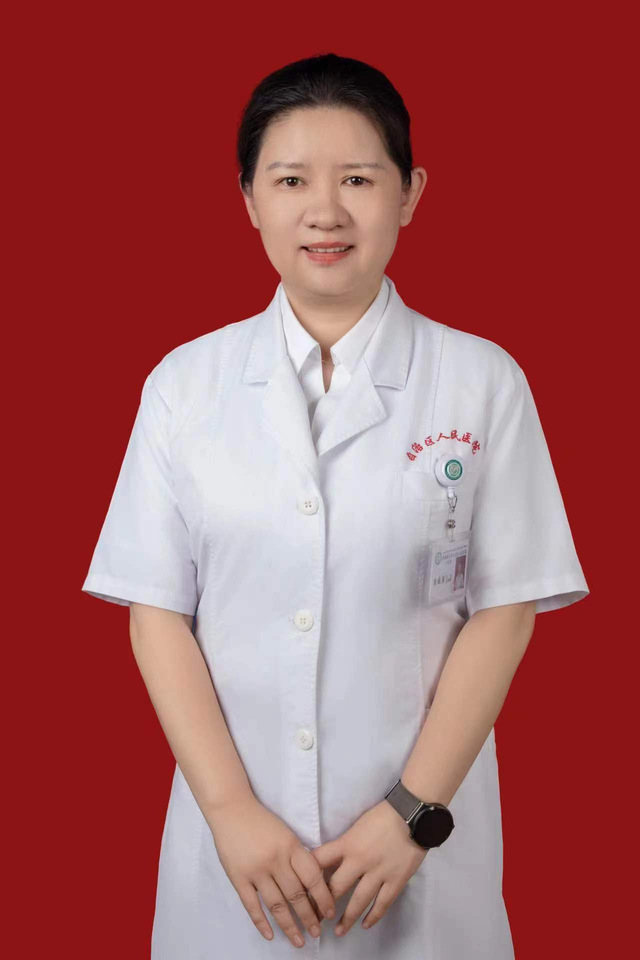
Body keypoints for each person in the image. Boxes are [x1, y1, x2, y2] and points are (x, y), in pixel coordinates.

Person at [81, 52, 590, 959]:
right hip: (235, 864)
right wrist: (231, 813)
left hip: (420, 863)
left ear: (410, 193)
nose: (325, 211)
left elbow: (505, 610)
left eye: (358, 178)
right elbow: (156, 611)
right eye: (290, 181)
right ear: (249, 199)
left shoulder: (480, 382)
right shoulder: (183, 387)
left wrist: (411, 814)